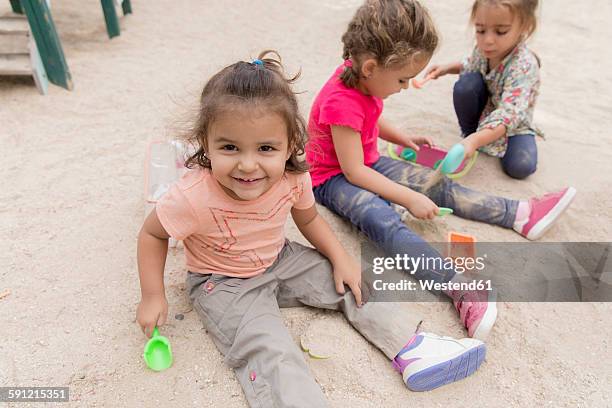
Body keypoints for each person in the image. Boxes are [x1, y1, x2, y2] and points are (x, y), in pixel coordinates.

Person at [135, 50, 487, 406]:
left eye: (266, 148)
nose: (247, 164)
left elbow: (308, 219)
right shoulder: (193, 195)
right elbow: (152, 234)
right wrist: (153, 295)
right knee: (268, 345)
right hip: (222, 282)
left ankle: (413, 348)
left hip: (280, 258)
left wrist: (339, 257)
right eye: (229, 147)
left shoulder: (293, 178)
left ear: (290, 145)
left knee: (353, 283)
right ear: (206, 143)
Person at [305, 0, 576, 340]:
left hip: (366, 160)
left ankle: (519, 214)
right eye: (403, 79)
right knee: (381, 218)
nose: (405, 87)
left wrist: (398, 135)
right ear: (371, 67)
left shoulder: (362, 75)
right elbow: (354, 171)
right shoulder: (339, 99)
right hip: (331, 178)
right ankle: (459, 288)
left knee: (435, 183)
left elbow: (368, 115)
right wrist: (408, 198)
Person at [424, 0, 542, 179]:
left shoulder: (524, 65)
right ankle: (470, 133)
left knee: (521, 167)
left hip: (513, 123)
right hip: (485, 113)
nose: (487, 40)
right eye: (480, 30)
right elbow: (470, 65)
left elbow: (509, 114)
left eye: (501, 31)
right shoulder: (484, 50)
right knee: (466, 85)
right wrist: (446, 68)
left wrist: (476, 141)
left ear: (525, 26)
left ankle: (475, 140)